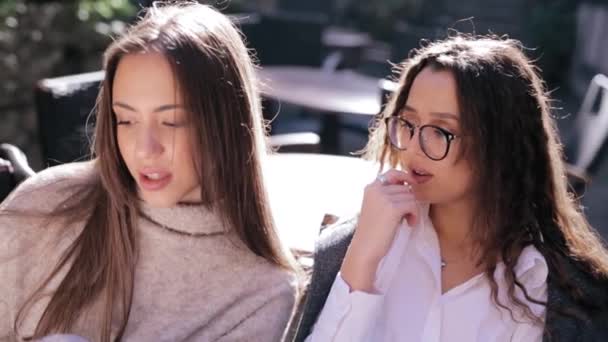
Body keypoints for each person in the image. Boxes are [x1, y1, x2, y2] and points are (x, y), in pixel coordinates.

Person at [0, 2, 298, 341]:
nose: (144, 149)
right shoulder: (43, 207)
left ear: (225, 125)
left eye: (171, 122)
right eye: (126, 120)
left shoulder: (262, 292)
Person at [293, 34, 608, 341]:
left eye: (441, 131)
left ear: (500, 147)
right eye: (408, 123)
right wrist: (361, 256)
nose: (414, 147)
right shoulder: (367, 242)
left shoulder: (553, 289)